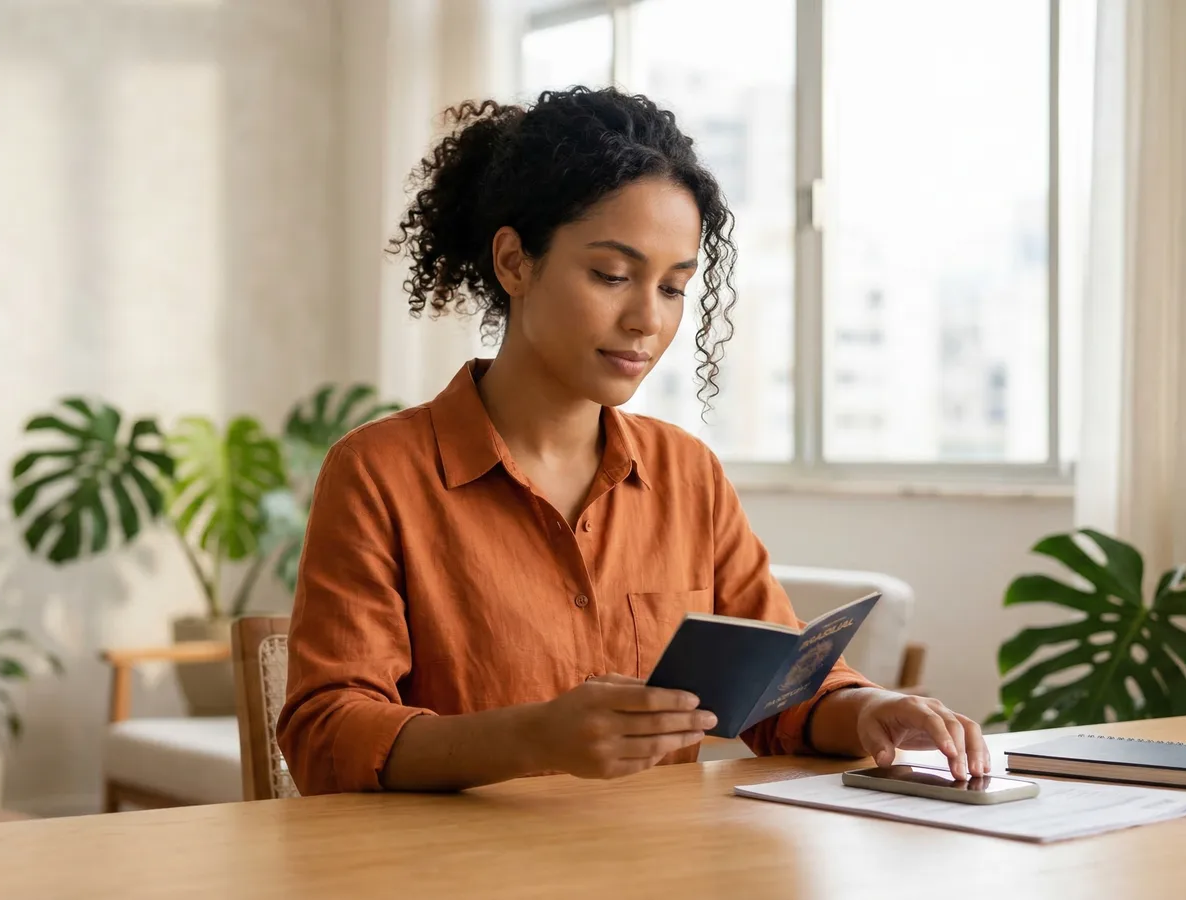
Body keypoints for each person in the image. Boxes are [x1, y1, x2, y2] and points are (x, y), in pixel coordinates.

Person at [276, 86, 988, 796]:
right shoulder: (378, 474)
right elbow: (326, 736)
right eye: (613, 275)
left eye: (675, 287)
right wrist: (533, 737)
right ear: (515, 262)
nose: (647, 320)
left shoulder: (686, 473)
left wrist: (868, 709)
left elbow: (778, 692)